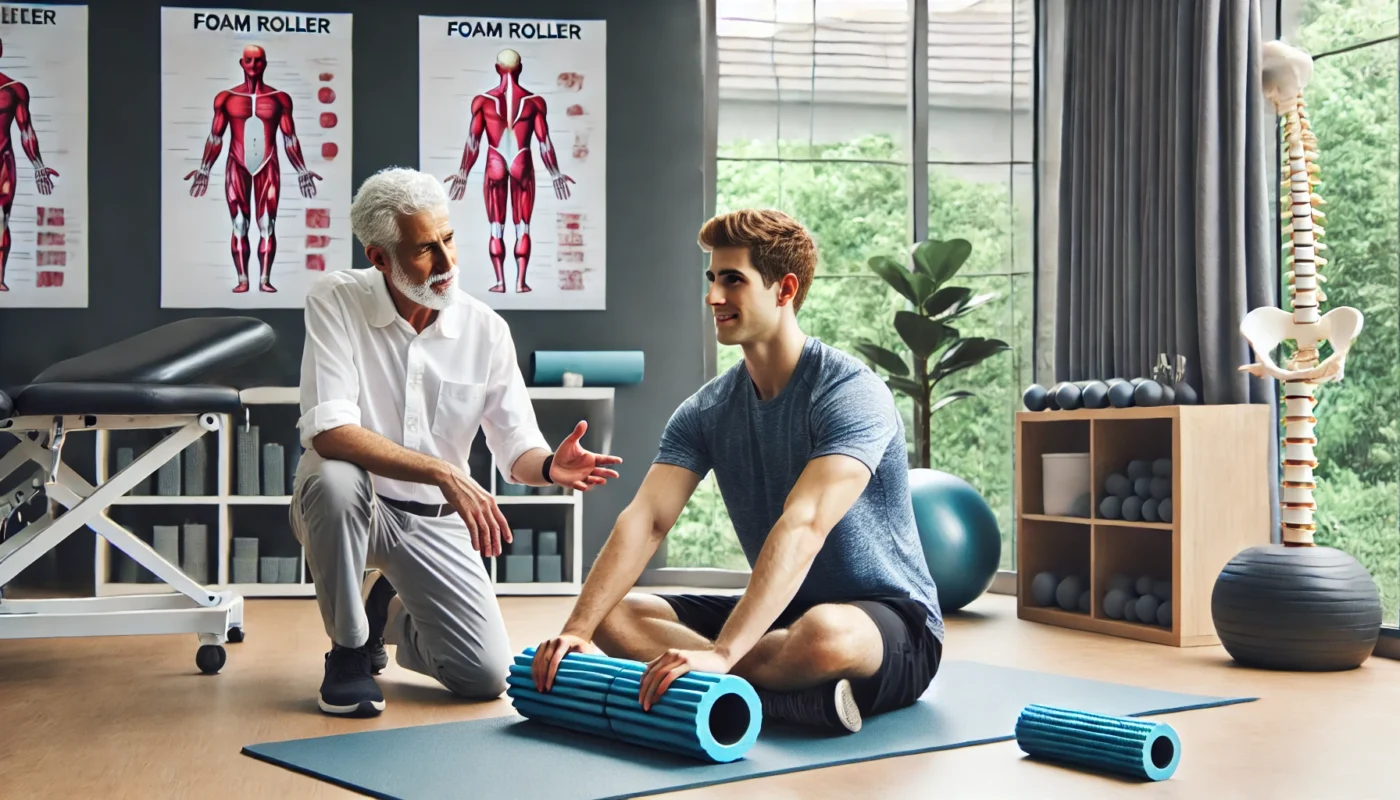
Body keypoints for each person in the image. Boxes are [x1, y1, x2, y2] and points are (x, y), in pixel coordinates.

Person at [530, 209, 943, 734]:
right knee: (612, 613)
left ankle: (732, 678)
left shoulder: (850, 393)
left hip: (888, 621)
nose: (714, 296)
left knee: (822, 635)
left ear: (784, 288)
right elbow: (647, 519)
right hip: (780, 612)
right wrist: (577, 630)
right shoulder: (706, 410)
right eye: (712, 279)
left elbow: (806, 523)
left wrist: (723, 653)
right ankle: (784, 698)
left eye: (733, 280)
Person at [293, 166, 621, 718]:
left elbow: (516, 446)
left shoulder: (485, 329)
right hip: (358, 509)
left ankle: (388, 612)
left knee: (483, 677)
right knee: (332, 476)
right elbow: (329, 430)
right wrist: (445, 471)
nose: (447, 264)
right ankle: (348, 653)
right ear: (379, 258)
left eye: (448, 239)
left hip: (433, 521)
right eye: (425, 249)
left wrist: (549, 468)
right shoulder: (337, 299)